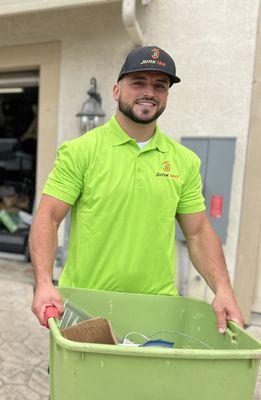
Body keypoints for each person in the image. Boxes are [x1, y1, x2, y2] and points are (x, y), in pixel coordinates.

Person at [30, 46, 244, 333]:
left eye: (160, 85)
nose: (150, 92)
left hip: (156, 311)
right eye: (139, 82)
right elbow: (48, 217)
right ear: (117, 91)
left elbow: (198, 231)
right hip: (86, 307)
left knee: (150, 380)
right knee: (85, 379)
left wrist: (223, 289)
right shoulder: (80, 151)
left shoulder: (184, 161)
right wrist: (44, 283)